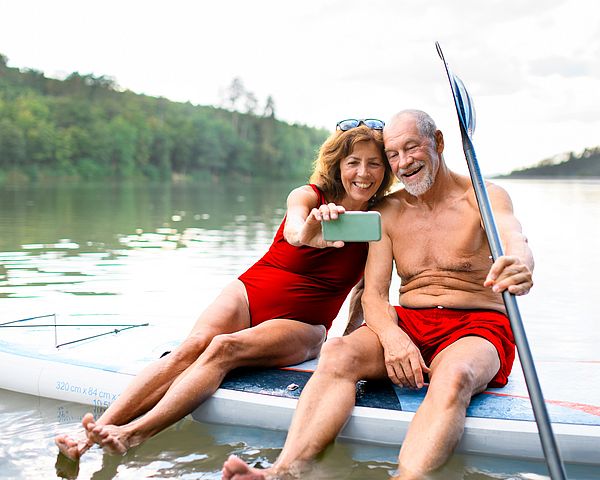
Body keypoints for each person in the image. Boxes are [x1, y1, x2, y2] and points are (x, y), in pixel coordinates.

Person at [54, 121, 395, 461]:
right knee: (190, 348)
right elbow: (294, 230)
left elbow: (366, 294)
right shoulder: (308, 196)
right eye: (353, 162)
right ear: (337, 164)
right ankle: (89, 437)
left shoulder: (381, 222)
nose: (362, 173)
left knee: (223, 347)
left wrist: (348, 345)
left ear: (385, 169)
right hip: (251, 290)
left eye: (373, 163)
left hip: (303, 322)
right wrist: (308, 233)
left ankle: (131, 435)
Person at [223, 109, 534, 480]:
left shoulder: (483, 197)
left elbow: (513, 236)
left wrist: (520, 264)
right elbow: (373, 295)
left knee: (454, 375)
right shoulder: (387, 210)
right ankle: (286, 470)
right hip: (412, 320)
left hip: (477, 325)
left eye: (411, 149)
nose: (403, 163)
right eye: (393, 155)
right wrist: (393, 337)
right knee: (338, 351)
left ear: (437, 142)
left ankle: (408, 476)